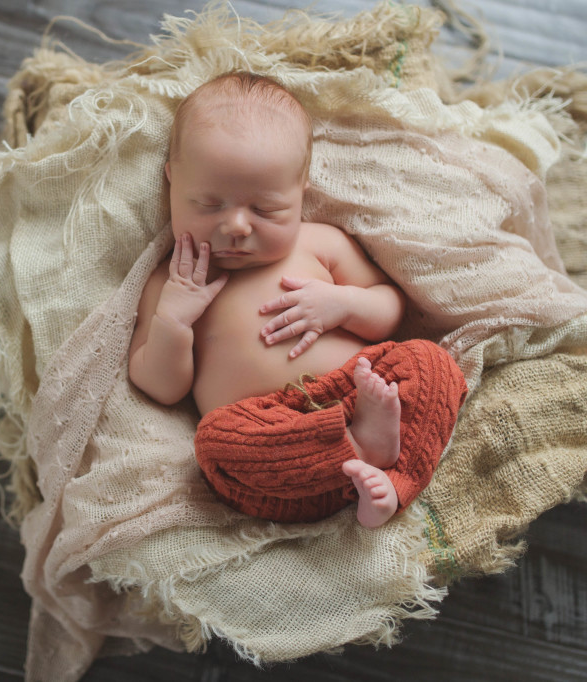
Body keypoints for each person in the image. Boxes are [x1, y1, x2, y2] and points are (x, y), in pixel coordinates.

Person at [128, 72, 468, 528]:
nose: (237, 227)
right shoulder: (168, 283)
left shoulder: (317, 243)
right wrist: (173, 322)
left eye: (266, 210)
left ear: (301, 188)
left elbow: (389, 308)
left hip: (361, 390)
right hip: (276, 450)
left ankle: (395, 482)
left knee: (430, 362)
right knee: (214, 441)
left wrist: (342, 304)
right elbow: (162, 388)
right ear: (172, 180)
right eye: (208, 204)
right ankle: (358, 450)